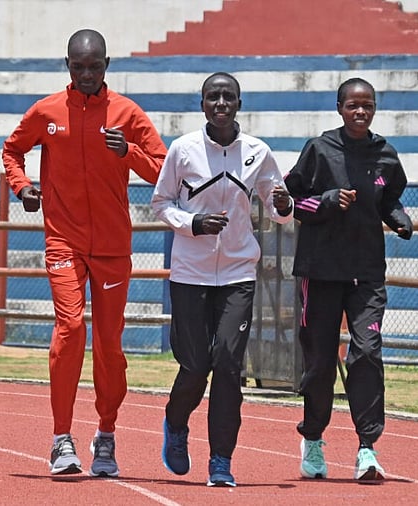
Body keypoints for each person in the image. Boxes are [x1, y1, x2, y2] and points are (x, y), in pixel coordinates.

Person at [1, 29, 166, 477]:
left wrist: (128, 151)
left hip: (113, 247)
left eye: (95, 67)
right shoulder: (47, 110)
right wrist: (24, 187)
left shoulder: (127, 113)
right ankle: (61, 439)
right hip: (63, 240)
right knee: (70, 327)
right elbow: (12, 151)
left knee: (109, 346)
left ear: (107, 65)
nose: (87, 74)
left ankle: (106, 434)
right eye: (79, 67)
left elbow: (162, 171)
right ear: (68, 65)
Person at [151, 72, 293, 487]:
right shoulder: (183, 150)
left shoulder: (258, 153)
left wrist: (282, 205)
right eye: (213, 97)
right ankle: (176, 424)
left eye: (228, 97)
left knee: (228, 365)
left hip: (237, 273)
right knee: (195, 366)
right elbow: (160, 203)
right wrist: (193, 222)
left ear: (239, 104)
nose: (220, 103)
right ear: (202, 105)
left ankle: (221, 461)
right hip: (191, 274)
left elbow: (278, 205)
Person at [285, 77, 412, 482]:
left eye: (368, 105)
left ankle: (367, 449)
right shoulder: (319, 149)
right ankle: (315, 440)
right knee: (321, 362)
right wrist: (326, 200)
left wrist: (399, 219)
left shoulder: (385, 155)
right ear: (339, 107)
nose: (361, 112)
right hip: (320, 273)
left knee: (367, 354)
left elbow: (388, 198)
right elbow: (292, 202)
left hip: (367, 274)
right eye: (353, 105)